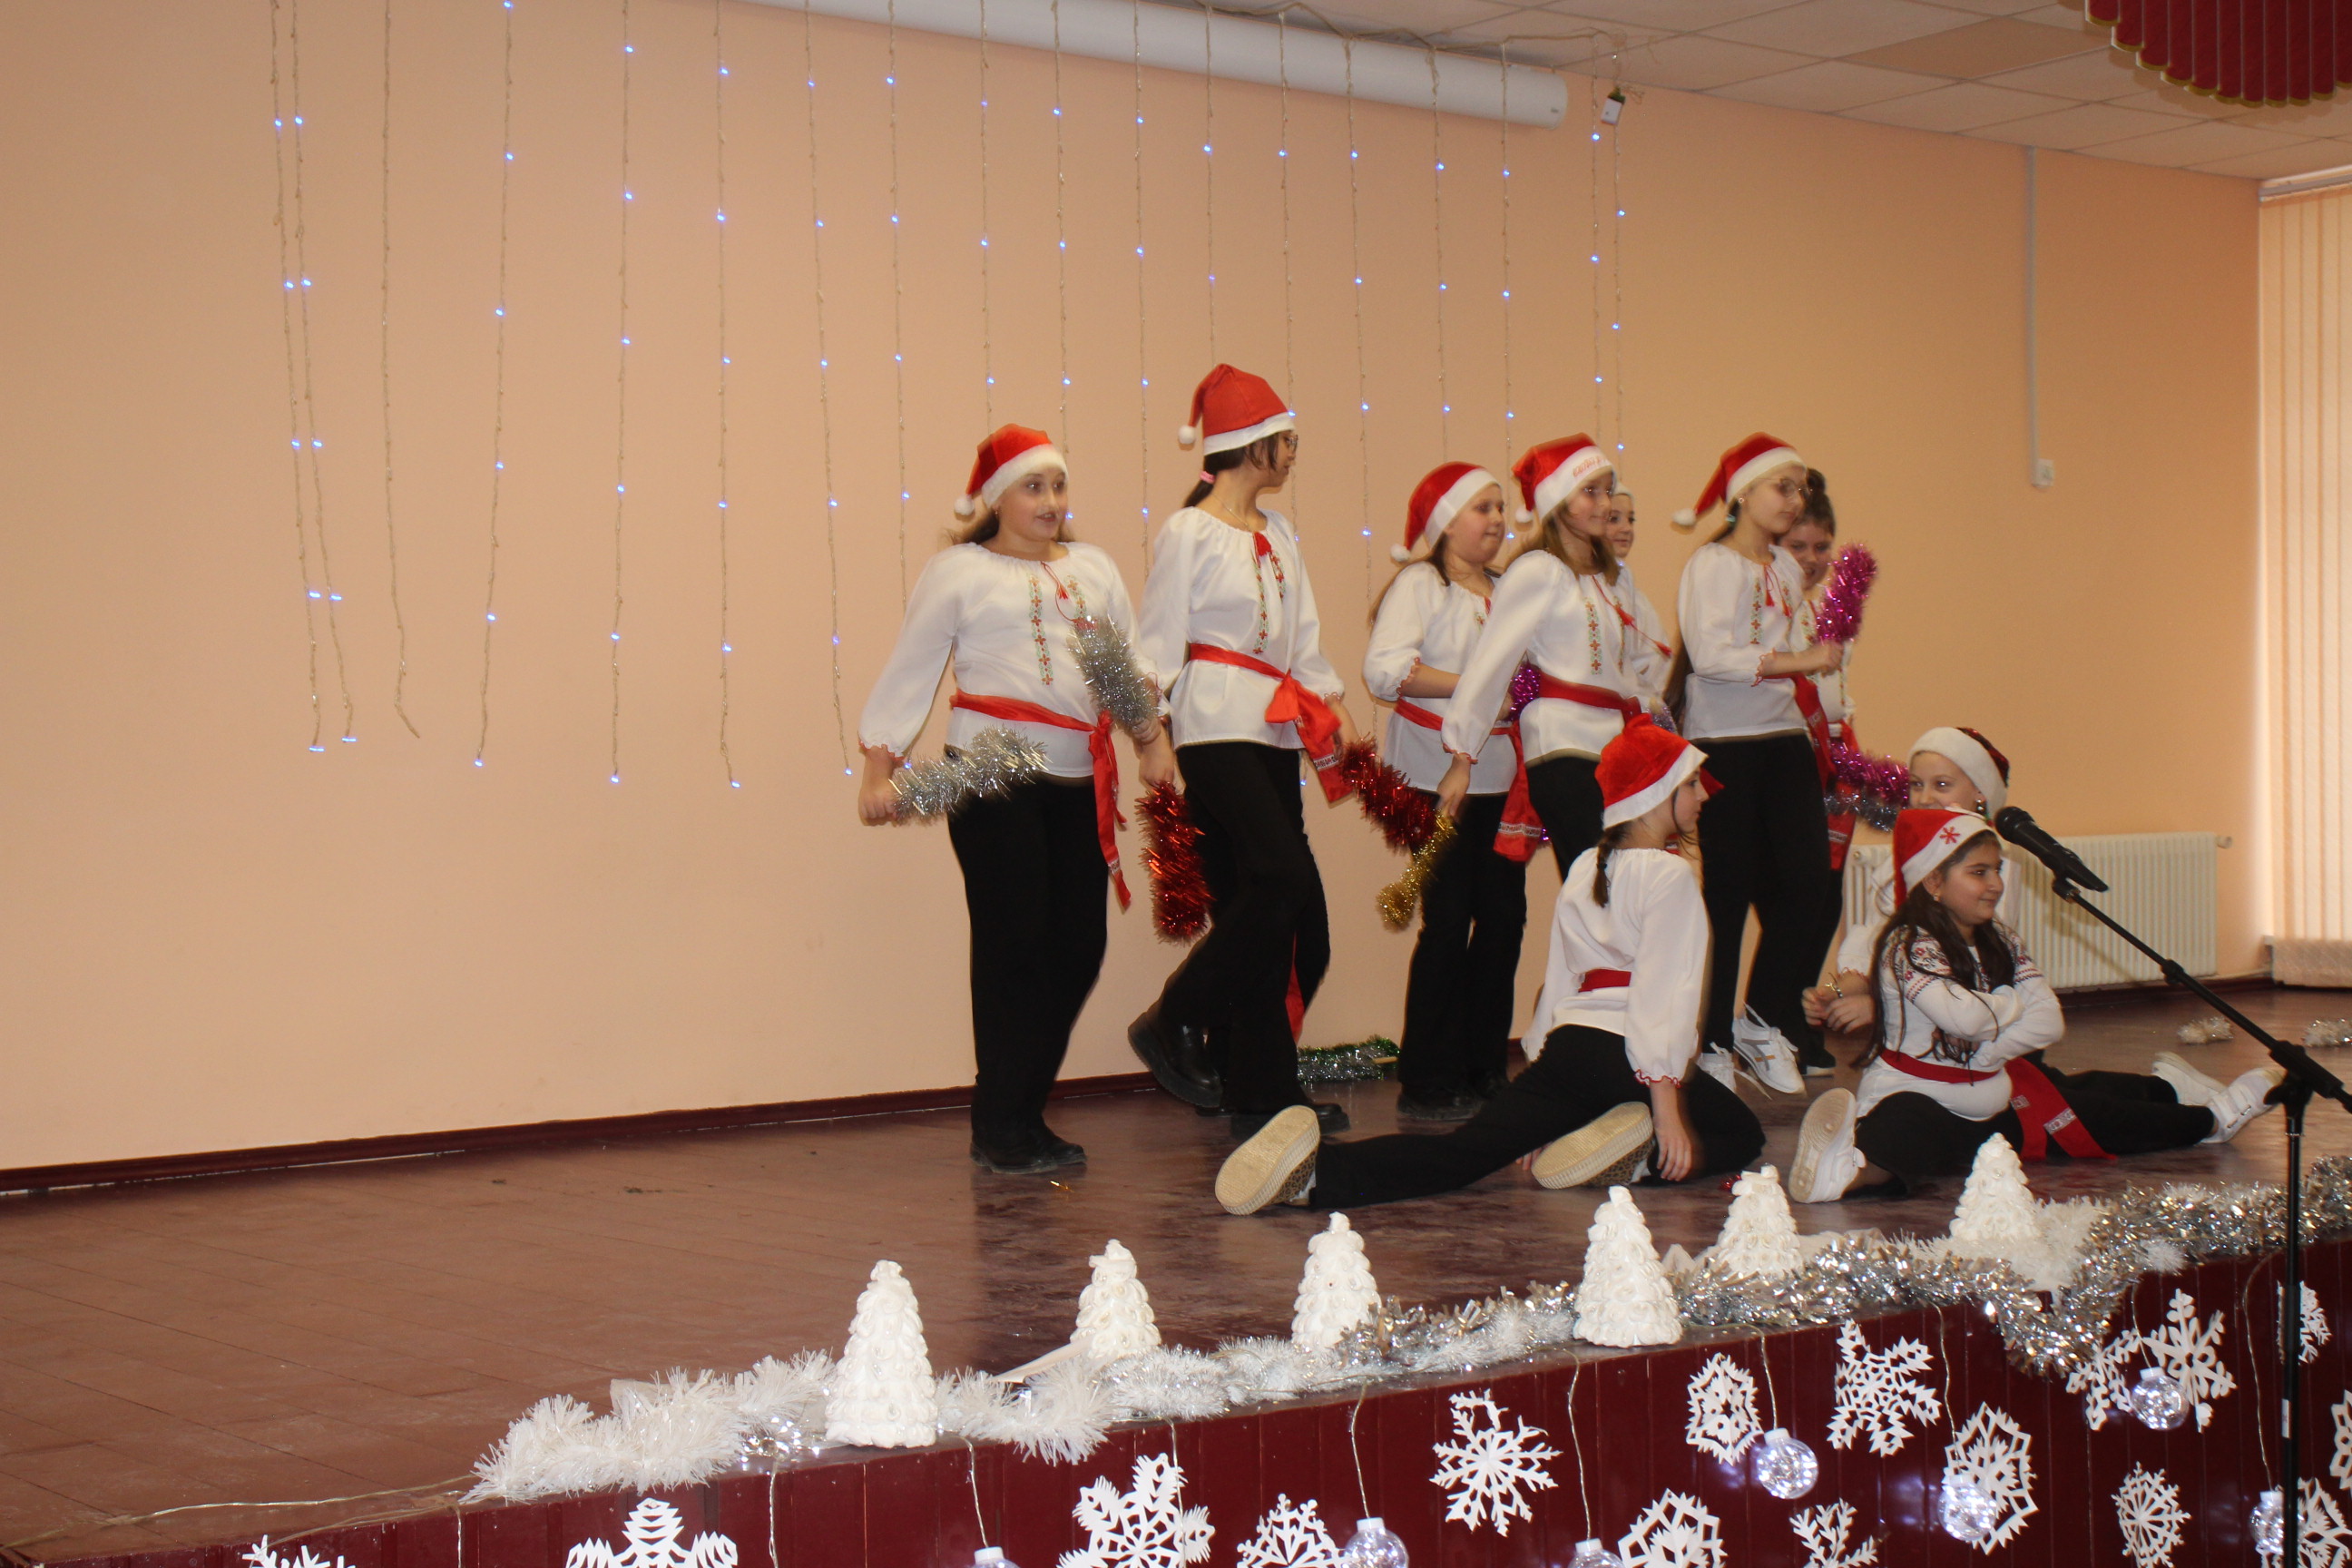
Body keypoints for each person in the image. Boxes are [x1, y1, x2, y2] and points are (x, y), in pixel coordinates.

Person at [1214, 719, 1766, 1215]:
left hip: (1572, 1051)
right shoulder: (1672, 877)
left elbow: (1562, 980)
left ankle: (1315, 1175)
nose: (1702, 796)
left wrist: (1543, 1082)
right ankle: (1639, 1155)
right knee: (1741, 1134)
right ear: (1657, 794)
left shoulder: (1584, 869)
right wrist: (1665, 1104)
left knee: (1465, 1152)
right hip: (1632, 1058)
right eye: (1692, 784)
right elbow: (1664, 993)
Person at [856, 426, 1177, 1174]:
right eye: (1034, 487)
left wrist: (1151, 739)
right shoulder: (960, 573)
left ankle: (1018, 1107)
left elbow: (1121, 666)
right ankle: (1003, 1122)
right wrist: (880, 766)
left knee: (1078, 947)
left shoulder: (1092, 570)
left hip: (1075, 779)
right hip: (990, 771)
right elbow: (913, 666)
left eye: (1058, 485)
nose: (1051, 500)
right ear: (997, 499)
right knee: (1014, 945)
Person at [1788, 808, 2284, 1202]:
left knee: (2093, 1114)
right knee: (1908, 1128)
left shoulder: (1999, 937)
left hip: (1993, 1094)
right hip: (1921, 1093)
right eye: (1978, 872)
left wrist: (1987, 1054)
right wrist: (2008, 1003)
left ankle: (2212, 1121)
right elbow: (1965, 1018)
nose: (1996, 884)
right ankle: (1846, 1174)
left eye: (1997, 870)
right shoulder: (1908, 945)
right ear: (1934, 882)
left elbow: (2048, 1020)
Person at [1130, 365, 1360, 1139]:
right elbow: (1157, 642)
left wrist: (1328, 698)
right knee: (1280, 878)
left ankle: (1258, 1091)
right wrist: (1153, 735)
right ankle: (1176, 1014)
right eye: (1285, 440)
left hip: (1273, 728)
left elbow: (1303, 636)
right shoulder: (1189, 532)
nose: (1293, 453)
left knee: (1287, 923)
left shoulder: (1281, 533)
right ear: (1251, 445)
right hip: (1212, 724)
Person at [1671, 434, 1844, 1086]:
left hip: (1783, 738)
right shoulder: (1711, 564)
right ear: (1743, 493)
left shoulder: (1785, 570)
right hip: (1726, 743)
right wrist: (1803, 660)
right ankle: (1714, 1041)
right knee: (1727, 895)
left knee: (1808, 884)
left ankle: (1761, 1017)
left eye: (1802, 488)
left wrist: (1814, 664)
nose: (1795, 499)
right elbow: (1711, 656)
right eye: (1783, 486)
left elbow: (1793, 652)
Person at [1362, 463, 1527, 1122]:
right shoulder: (1421, 585)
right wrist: (1476, 686)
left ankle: (1485, 1066)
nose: (1497, 520)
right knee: (1448, 921)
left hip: (1500, 778)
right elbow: (1385, 672)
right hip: (1433, 781)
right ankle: (1427, 1075)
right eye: (1483, 508)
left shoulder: (1510, 589)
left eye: (1501, 508)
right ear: (1446, 522)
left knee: (1504, 921)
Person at [1432, 436, 1670, 877]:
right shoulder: (1538, 571)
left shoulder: (1614, 579)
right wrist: (1462, 757)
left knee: (1623, 883)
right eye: (1590, 491)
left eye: (1607, 490)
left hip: (1614, 748)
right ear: (1558, 501)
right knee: (1599, 880)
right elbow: (1490, 666)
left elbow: (1636, 666)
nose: (1604, 503)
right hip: (1562, 746)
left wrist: (1658, 722)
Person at [1804, 726, 2014, 1039]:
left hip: (1967, 1030)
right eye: (1917, 784)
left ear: (1980, 793)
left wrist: (1882, 1007)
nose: (1925, 798)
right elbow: (1879, 941)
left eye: (1941, 785)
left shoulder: (1994, 868)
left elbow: (1972, 974)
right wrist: (1838, 991)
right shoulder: (1900, 863)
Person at [1787, 471, 1855, 887]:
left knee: (1828, 894)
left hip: (1833, 765)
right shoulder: (1771, 615)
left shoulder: (1827, 613)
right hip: (1795, 763)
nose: (1811, 559)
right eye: (1797, 547)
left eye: (1821, 547)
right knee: (1800, 887)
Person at [1605, 487, 1673, 713]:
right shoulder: (1580, 591)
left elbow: (1655, 660)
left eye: (1631, 519)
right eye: (1614, 519)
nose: (1626, 528)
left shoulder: (1635, 597)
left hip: (1643, 710)